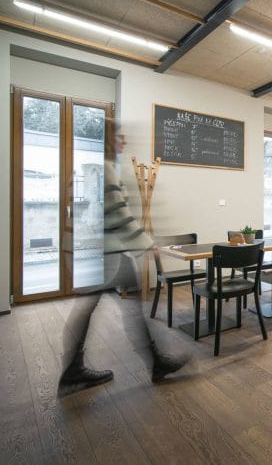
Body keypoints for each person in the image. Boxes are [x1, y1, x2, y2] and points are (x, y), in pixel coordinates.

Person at [58, 129, 188, 396]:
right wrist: (147, 242)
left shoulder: (97, 168)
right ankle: (155, 362)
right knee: (129, 308)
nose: (124, 141)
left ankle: (73, 368)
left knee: (94, 307)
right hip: (108, 252)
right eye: (119, 137)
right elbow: (119, 214)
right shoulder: (106, 170)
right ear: (108, 139)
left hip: (101, 250)